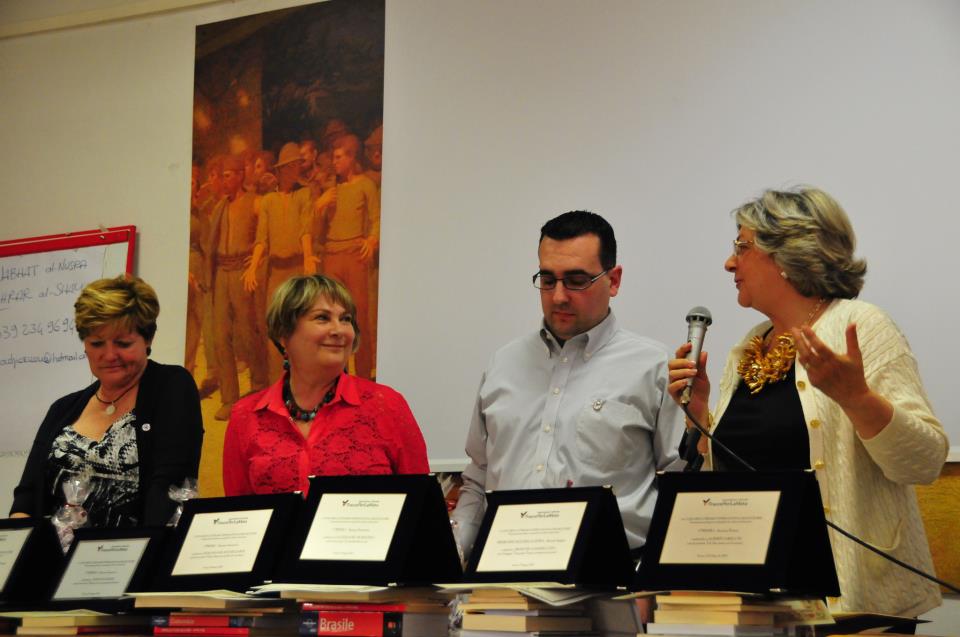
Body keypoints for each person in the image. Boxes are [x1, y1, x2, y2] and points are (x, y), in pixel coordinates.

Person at [667, 187, 948, 619]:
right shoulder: (749, 346)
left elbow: (924, 462)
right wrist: (700, 416)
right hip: (756, 597)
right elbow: (732, 483)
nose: (729, 262)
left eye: (742, 247)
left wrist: (858, 399)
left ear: (788, 255)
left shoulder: (861, 326)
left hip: (849, 607)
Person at [451, 211, 686, 559]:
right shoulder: (503, 364)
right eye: (548, 280)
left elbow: (678, 482)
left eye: (576, 280)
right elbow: (479, 475)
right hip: (504, 565)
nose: (559, 296)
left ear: (614, 280)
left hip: (610, 569)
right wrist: (455, 550)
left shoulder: (654, 367)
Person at [10, 275, 203, 527]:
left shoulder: (172, 387)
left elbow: (168, 487)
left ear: (148, 339)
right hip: (52, 550)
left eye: (123, 343)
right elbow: (26, 499)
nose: (109, 355)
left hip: (135, 548)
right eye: (97, 343)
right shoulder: (62, 408)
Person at [222, 274, 429, 496]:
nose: (339, 330)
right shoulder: (246, 416)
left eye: (346, 319)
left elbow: (421, 504)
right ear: (284, 333)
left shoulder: (386, 405)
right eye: (322, 318)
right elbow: (240, 511)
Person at [314, 134, 380, 379]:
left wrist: (371, 240)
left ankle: (362, 376)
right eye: (333, 158)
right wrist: (319, 207)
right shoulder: (331, 190)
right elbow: (316, 232)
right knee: (334, 318)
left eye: (339, 157)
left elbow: (377, 219)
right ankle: (337, 375)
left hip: (355, 257)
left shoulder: (366, 185)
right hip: (332, 256)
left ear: (352, 157)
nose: (335, 162)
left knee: (358, 316)